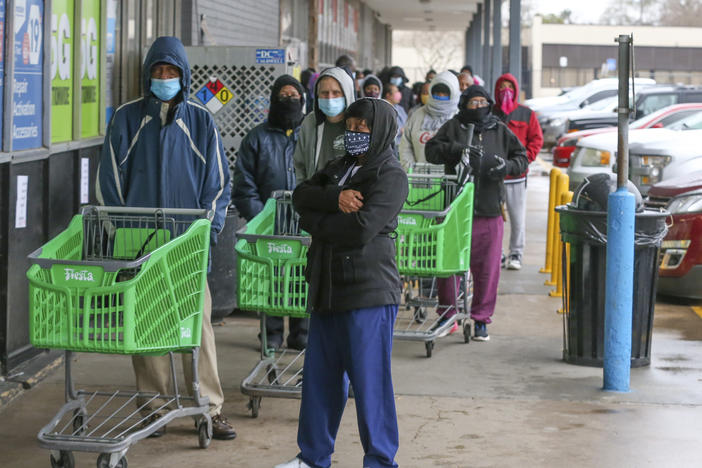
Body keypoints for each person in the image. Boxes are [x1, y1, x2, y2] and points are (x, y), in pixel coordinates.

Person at [96, 36, 236, 440]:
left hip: (187, 247)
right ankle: (152, 407)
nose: (163, 77)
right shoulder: (126, 118)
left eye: (171, 71)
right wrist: (120, 237)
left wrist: (204, 234)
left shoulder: (200, 120)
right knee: (146, 325)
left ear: (184, 74)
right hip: (139, 247)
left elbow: (218, 185)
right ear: (147, 74)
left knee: (199, 327)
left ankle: (208, 407)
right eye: (157, 71)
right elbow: (108, 185)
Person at [275, 98, 408, 468]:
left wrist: (317, 223)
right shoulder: (337, 168)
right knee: (320, 380)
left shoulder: (390, 176)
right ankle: (313, 457)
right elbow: (301, 197)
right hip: (326, 286)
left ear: (379, 130)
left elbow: (362, 229)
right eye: (350, 128)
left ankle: (380, 461)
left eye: (363, 129)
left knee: (370, 384)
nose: (355, 134)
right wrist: (335, 198)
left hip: (368, 292)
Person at [425, 85, 528, 341]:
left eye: (482, 102)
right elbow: (431, 152)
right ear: (464, 105)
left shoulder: (500, 129)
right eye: (473, 103)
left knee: (487, 270)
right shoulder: (453, 127)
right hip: (455, 210)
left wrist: (507, 167)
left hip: (489, 210)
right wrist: (457, 149)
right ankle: (448, 314)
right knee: (449, 266)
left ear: (489, 104)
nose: (478, 107)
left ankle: (481, 319)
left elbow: (522, 157)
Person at [231, 74, 310, 350]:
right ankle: (271, 335)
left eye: (294, 96)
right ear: (274, 100)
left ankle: (302, 333)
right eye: (283, 96)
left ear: (303, 99)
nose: (289, 101)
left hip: (306, 224)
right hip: (268, 227)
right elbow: (243, 185)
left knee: (303, 276)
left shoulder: (311, 136)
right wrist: (261, 219)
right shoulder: (257, 138)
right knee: (270, 280)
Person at [493, 73, 544, 271]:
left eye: (510, 87)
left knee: (517, 218)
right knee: (494, 219)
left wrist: (524, 161)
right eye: (502, 87)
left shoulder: (526, 114)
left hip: (516, 177)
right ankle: (498, 253)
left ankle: (516, 253)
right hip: (494, 178)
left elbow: (536, 140)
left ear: (515, 90)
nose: (506, 91)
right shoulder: (491, 113)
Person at [294, 67, 356, 184]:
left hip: (350, 198)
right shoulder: (310, 122)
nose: (330, 98)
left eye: (336, 93)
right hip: (315, 196)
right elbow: (299, 164)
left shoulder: (360, 124)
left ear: (347, 94)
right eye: (324, 93)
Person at [399, 71, 460, 171]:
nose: (440, 95)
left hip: (449, 182)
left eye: (445, 92)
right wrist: (411, 170)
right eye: (437, 92)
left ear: (453, 94)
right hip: (418, 181)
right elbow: (405, 146)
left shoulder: (458, 117)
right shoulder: (417, 115)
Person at [382, 82, 408, 154]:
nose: (398, 94)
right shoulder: (382, 109)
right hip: (390, 147)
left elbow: (407, 123)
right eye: (396, 92)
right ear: (388, 95)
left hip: (403, 146)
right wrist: (400, 130)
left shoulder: (400, 108)